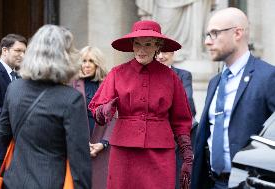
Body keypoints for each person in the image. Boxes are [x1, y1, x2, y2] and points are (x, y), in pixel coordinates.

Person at [89, 20, 193, 189]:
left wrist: (187, 156)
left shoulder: (171, 77)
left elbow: (181, 120)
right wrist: (105, 110)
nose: (141, 50)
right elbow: (97, 110)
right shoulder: (117, 73)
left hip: (160, 153)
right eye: (137, 44)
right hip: (124, 153)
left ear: (157, 46)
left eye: (148, 44)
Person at [0, 25, 92, 189]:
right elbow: (79, 161)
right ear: (65, 57)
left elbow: (3, 134)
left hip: (13, 181)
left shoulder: (14, 88)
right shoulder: (71, 99)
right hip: (51, 182)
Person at [191, 7, 275, 189]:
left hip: (250, 183)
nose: (207, 42)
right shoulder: (215, 82)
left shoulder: (268, 77)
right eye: (206, 35)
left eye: (214, 33)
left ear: (237, 33)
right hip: (213, 183)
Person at [72, 46, 113, 189]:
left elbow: (114, 118)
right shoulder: (71, 84)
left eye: (91, 61)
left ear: (98, 64)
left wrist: (104, 143)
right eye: (84, 61)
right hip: (76, 146)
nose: (86, 65)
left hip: (101, 146)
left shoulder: (108, 85)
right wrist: (81, 142)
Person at [156, 51, 197, 189]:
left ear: (173, 53)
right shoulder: (145, 75)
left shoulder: (183, 75)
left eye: (165, 52)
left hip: (176, 138)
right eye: (158, 53)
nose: (161, 56)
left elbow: (188, 104)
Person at [0, 33, 27, 186]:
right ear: (4, 50)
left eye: (24, 51)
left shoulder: (19, 77)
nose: (22, 55)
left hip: (14, 148)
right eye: (18, 51)